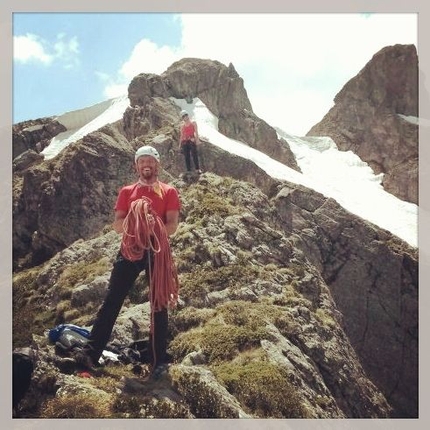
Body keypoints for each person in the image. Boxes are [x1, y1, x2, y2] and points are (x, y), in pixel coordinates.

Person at [74, 145, 181, 377]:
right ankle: (90, 355)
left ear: (157, 165)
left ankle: (157, 359)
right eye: (142, 161)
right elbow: (117, 225)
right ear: (136, 166)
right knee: (112, 300)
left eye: (151, 161)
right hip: (130, 250)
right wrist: (136, 218)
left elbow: (171, 226)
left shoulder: (169, 191)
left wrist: (153, 223)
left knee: (159, 303)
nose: (146, 164)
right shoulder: (127, 191)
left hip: (156, 250)